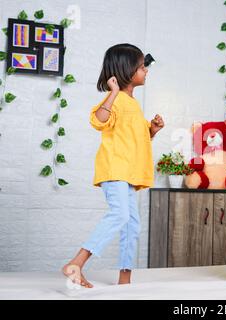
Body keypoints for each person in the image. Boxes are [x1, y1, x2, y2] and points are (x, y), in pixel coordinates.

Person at [62, 43, 164, 288]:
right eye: (142, 67)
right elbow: (99, 120)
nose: (146, 71)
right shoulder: (116, 100)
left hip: (127, 173)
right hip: (115, 170)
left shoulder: (133, 105)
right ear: (128, 71)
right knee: (120, 215)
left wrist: (152, 130)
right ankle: (77, 262)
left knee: (132, 225)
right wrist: (113, 92)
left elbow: (135, 139)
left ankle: (125, 278)